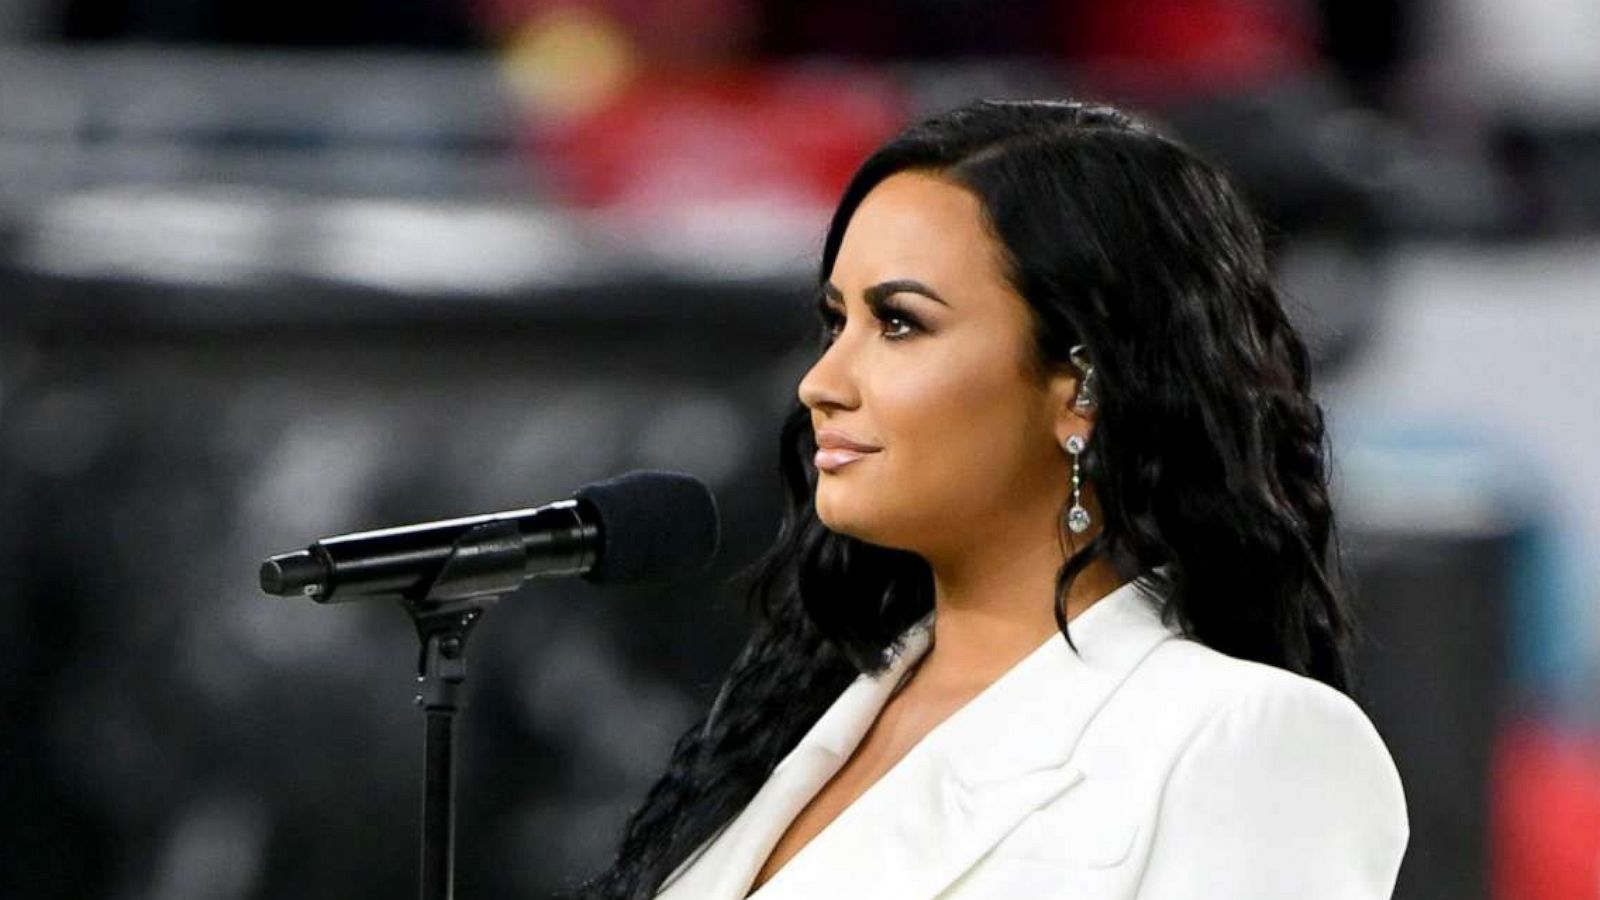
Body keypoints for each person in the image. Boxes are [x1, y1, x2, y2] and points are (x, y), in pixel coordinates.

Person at [577, 98, 1409, 899]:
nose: (820, 383)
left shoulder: (1244, 740)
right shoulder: (802, 715)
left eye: (900, 324)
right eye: (837, 324)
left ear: (1083, 386)